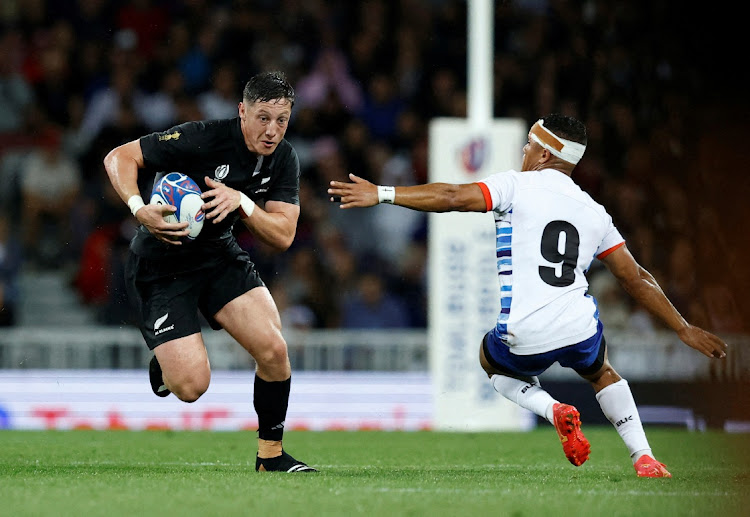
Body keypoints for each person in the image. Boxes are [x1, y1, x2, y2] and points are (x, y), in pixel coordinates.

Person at [328, 113, 728, 478]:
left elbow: (452, 197)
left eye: (531, 144)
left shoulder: (514, 186)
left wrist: (382, 193)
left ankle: (553, 410)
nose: (524, 150)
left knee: (491, 359)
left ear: (547, 153)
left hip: (524, 331)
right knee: (602, 371)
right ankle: (643, 456)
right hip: (578, 326)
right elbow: (635, 277)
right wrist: (683, 326)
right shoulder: (594, 211)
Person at [104, 71, 316, 473]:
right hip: (162, 263)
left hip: (218, 256)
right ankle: (168, 367)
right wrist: (138, 208)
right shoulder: (201, 137)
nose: (272, 131)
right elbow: (119, 157)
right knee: (191, 387)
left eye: (282, 120)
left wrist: (243, 203)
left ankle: (270, 457)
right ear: (242, 112)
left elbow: (284, 234)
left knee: (274, 350)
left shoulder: (285, 158)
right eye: (263, 118)